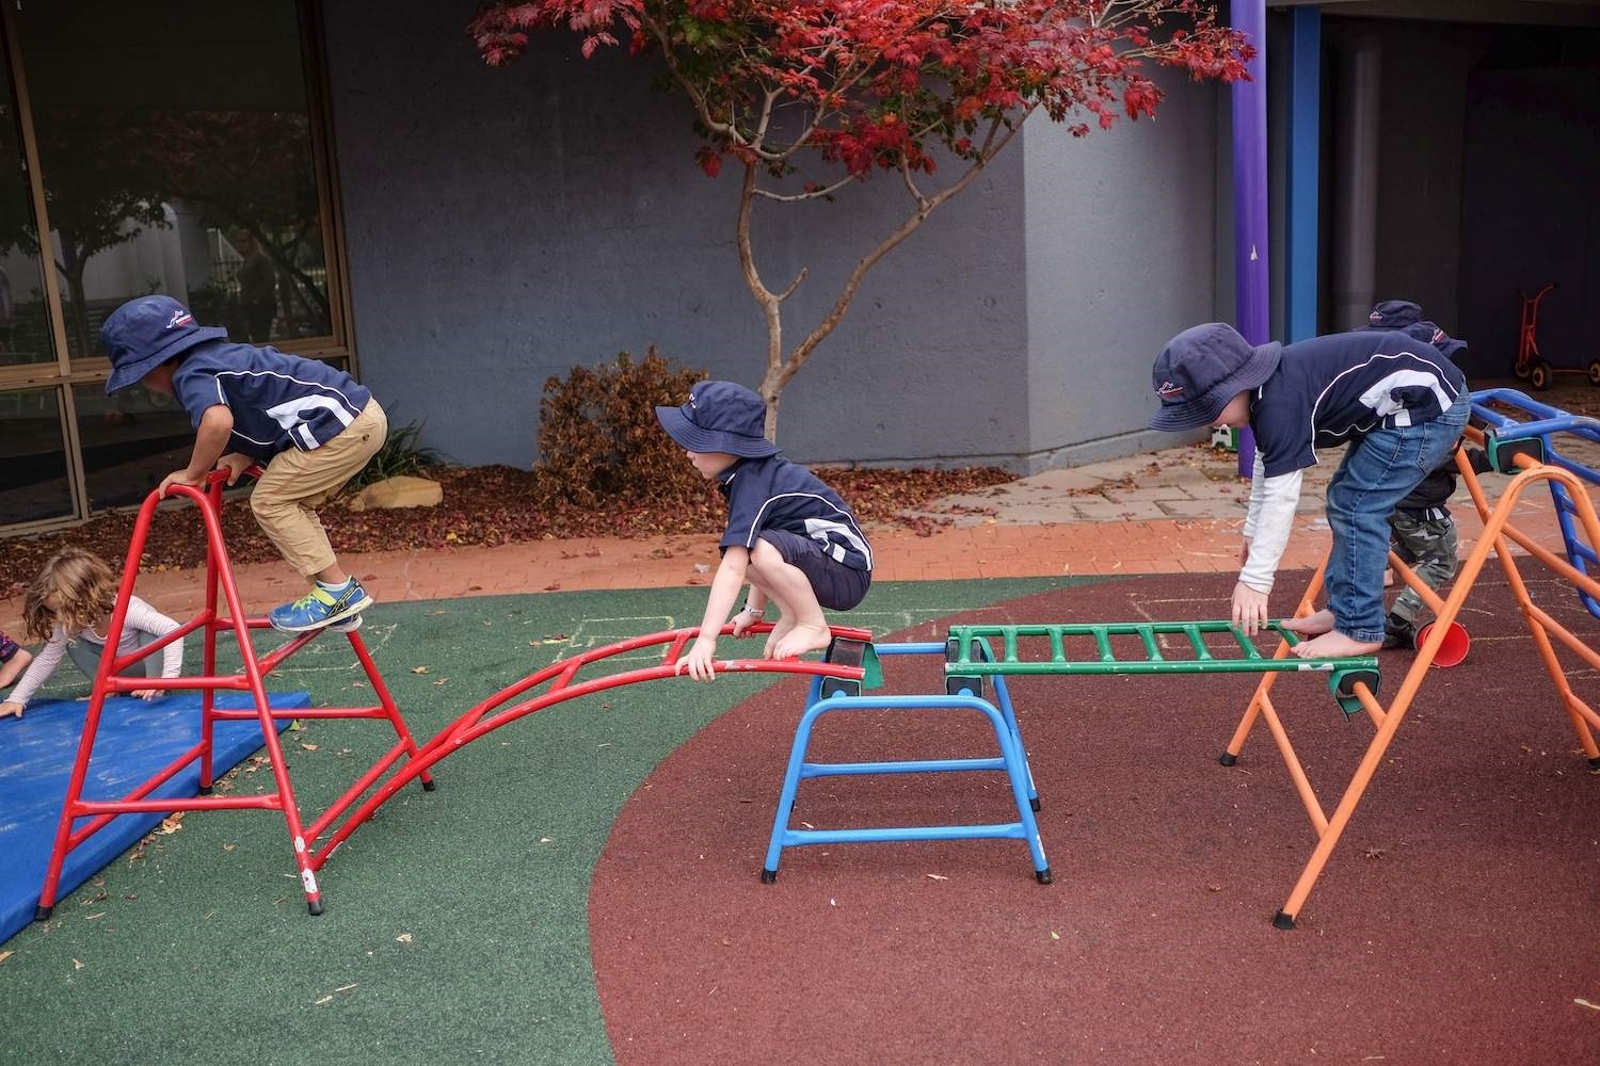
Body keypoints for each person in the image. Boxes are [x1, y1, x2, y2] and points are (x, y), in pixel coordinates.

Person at [1148, 321, 1470, 659]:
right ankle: (1345, 610)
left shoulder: (1279, 404)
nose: (1209, 423)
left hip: (1430, 408)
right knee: (1346, 500)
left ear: (1234, 385)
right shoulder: (1265, 395)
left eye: (1207, 410)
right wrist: (1253, 531)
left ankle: (1359, 627)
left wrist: (1256, 581)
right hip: (1406, 402)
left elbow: (1282, 496)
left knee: (1358, 506)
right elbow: (1267, 462)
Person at [100, 294, 387, 632]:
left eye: (143, 376)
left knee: (270, 500)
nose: (148, 385)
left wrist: (195, 474)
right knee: (291, 502)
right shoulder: (219, 358)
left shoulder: (191, 373)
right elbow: (264, 405)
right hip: (355, 418)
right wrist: (246, 453)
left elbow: (217, 422)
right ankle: (333, 595)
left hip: (342, 425)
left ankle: (337, 591)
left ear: (159, 363)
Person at [654, 380, 873, 681]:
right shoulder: (749, 475)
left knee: (754, 550)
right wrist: (754, 611)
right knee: (752, 548)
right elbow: (761, 545)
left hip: (846, 571)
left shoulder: (753, 484)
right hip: (825, 564)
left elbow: (734, 567)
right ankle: (793, 614)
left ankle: (812, 625)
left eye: (696, 442)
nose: (687, 453)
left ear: (726, 446)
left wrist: (706, 640)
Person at [1355, 301, 1486, 649]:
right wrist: (1488, 460)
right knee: (1441, 560)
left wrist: (1470, 420)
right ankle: (1397, 621)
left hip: (1394, 499)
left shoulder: (1394, 392)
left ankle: (1366, 577)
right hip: (1421, 504)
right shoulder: (1426, 413)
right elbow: (1445, 456)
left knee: (1409, 551)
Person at [0, 547, 183, 720]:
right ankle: (106, 687)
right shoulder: (72, 621)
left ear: (87, 598)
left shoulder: (127, 609)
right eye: (56, 612)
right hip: (119, 671)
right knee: (73, 642)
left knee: (152, 632)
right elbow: (47, 659)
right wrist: (17, 698)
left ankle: (155, 685)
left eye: (65, 610)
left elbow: (173, 629)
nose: (62, 617)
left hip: (148, 666)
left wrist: (168, 678)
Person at [235, 233, 277, 343]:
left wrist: (256, 299)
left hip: (261, 307)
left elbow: (270, 281)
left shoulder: (261, 260)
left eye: (244, 241)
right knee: (253, 336)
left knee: (261, 336)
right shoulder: (247, 261)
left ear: (252, 242)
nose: (241, 244)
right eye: (239, 241)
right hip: (249, 306)